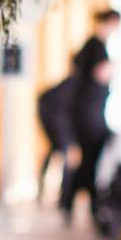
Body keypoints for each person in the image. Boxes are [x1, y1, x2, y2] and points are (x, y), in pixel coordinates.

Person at [60, 8, 121, 222]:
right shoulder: (96, 46)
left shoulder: (89, 45)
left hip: (84, 111)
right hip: (89, 112)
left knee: (87, 158)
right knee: (91, 158)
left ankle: (70, 202)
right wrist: (117, 65)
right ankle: (87, 204)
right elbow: (100, 73)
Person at [36, 73, 78, 202]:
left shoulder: (74, 82)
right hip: (54, 119)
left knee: (56, 149)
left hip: (55, 119)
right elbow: (61, 114)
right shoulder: (74, 83)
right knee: (66, 152)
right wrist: (68, 139)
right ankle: (64, 197)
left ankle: (59, 195)